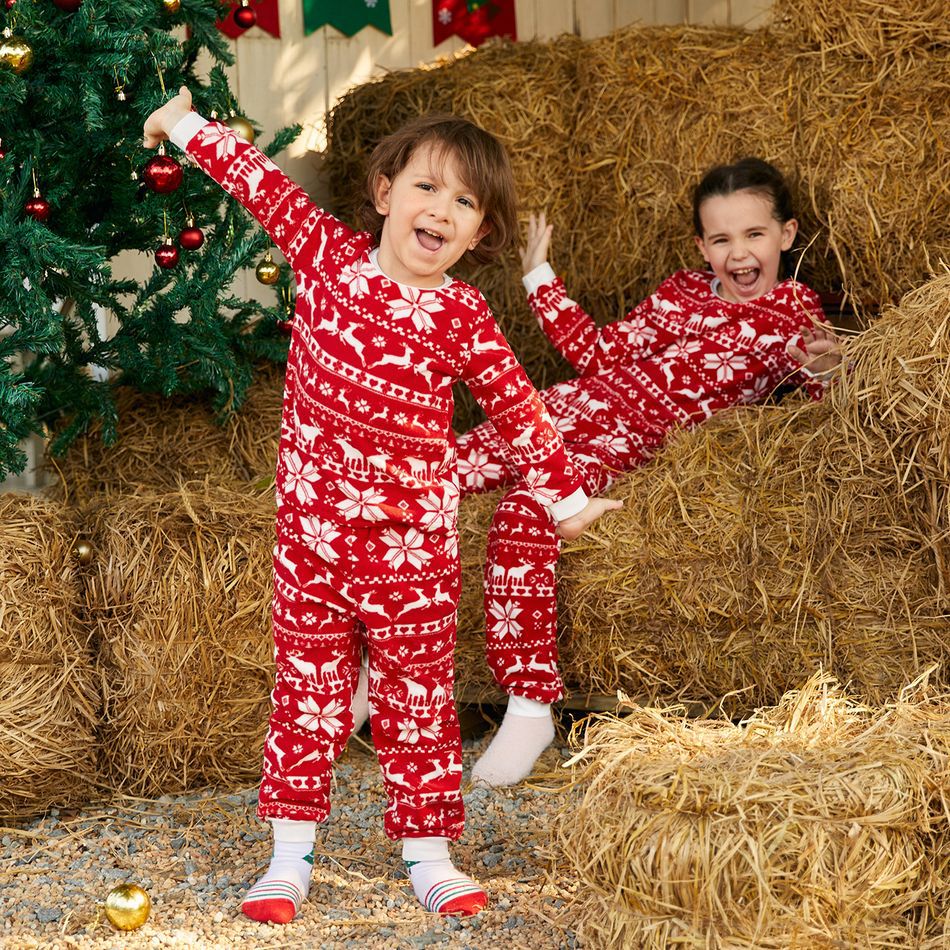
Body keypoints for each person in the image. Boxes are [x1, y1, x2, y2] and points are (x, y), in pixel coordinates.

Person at [143, 90, 620, 923]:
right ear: (384, 192)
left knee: (418, 701)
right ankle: (289, 859)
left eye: (465, 203)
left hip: (416, 558)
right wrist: (180, 125)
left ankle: (428, 853)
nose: (441, 211)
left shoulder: (463, 314)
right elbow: (259, 182)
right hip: (313, 550)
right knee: (309, 695)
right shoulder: (326, 255)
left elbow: (520, 412)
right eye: (428, 189)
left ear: (481, 234)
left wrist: (569, 501)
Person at [448, 157, 840, 787]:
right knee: (430, 472)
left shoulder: (796, 314)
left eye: (754, 235)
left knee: (526, 509)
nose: (738, 253)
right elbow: (598, 353)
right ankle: (368, 658)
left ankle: (529, 704)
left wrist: (826, 370)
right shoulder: (681, 292)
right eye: (720, 239)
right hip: (566, 407)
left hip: (628, 440)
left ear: (786, 236)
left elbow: (822, 409)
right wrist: (537, 276)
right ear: (701, 247)